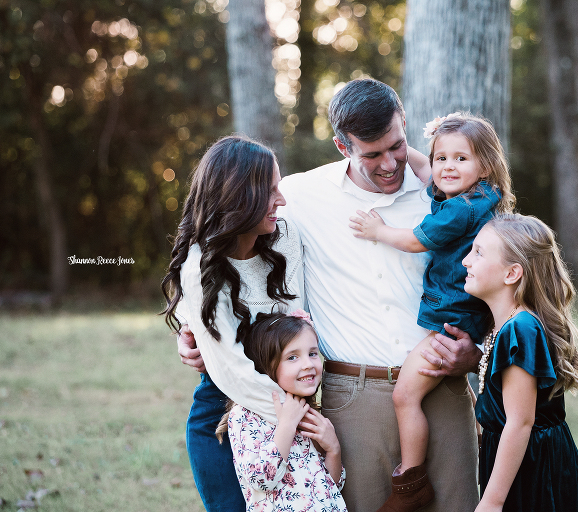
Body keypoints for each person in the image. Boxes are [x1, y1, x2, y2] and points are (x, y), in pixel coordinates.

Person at [179, 79, 482, 512]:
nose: (390, 164)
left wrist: (477, 351)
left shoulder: (447, 192)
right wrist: (191, 328)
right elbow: (217, 243)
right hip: (352, 396)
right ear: (342, 146)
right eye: (372, 154)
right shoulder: (299, 198)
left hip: (442, 386)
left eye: (397, 146)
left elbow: (500, 279)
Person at [348, 112, 515, 512]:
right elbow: (424, 165)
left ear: (486, 165)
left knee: (405, 396)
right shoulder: (475, 195)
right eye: (443, 158)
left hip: (453, 319)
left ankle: (411, 481)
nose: (446, 167)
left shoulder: (462, 210)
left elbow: (418, 240)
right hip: (460, 316)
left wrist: (378, 231)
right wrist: (422, 147)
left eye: (461, 159)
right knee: (417, 393)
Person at [162, 135, 305, 512]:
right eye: (270, 190)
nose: (283, 199)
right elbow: (234, 372)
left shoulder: (285, 237)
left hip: (289, 403)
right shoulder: (200, 266)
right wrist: (301, 421)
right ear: (240, 195)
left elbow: (296, 334)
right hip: (224, 419)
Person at [462, 214, 578, 511]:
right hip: (522, 465)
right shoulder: (505, 326)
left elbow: (520, 423)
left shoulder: (520, 329)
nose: (465, 261)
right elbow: (501, 408)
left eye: (479, 252)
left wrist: (492, 503)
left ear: (512, 274)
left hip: (535, 474)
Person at [226, 310, 347, 511]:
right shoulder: (245, 416)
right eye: (292, 357)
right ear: (266, 364)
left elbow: (332, 488)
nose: (308, 364)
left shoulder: (308, 411)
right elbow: (261, 480)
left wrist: (333, 449)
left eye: (312, 353)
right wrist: (287, 425)